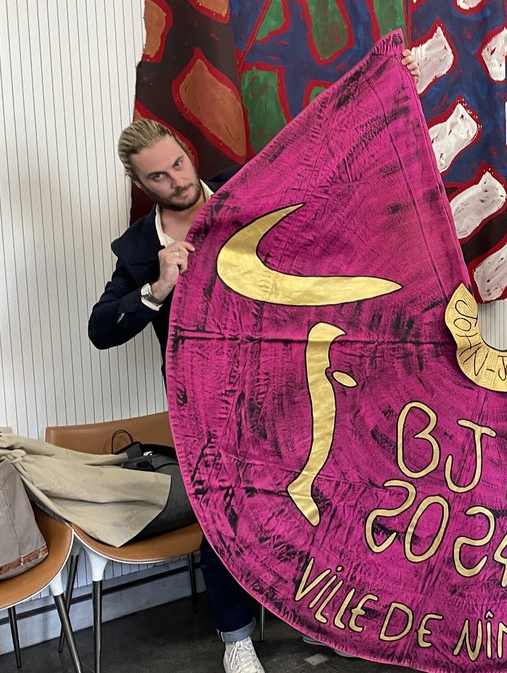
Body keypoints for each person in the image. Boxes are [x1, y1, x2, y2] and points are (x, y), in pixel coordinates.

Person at [89, 52, 419, 673]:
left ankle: (326, 618)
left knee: (322, 502)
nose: (178, 181)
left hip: (295, 391)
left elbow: (328, 205)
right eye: (159, 178)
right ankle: (236, 638)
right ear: (142, 185)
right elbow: (100, 332)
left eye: (179, 164)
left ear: (188, 153)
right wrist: (154, 290)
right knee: (226, 520)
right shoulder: (139, 250)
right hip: (209, 412)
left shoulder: (248, 193)